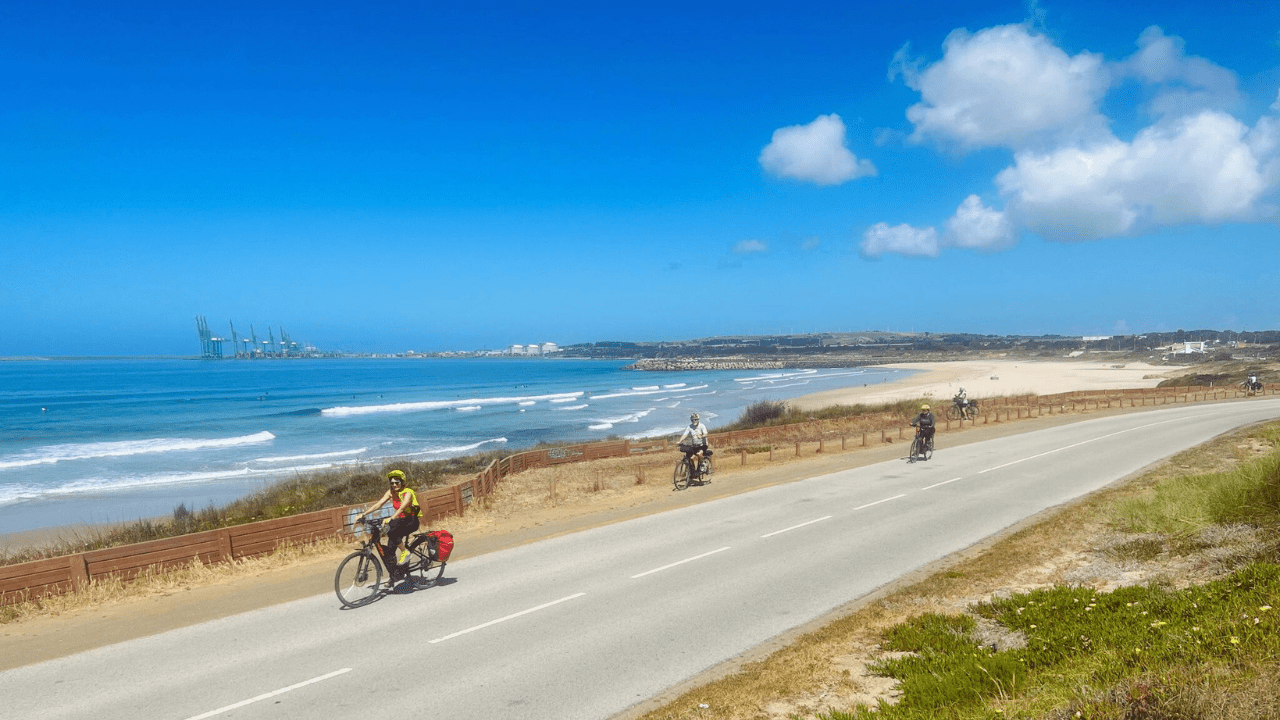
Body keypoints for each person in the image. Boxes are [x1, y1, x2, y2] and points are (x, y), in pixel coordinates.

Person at [356, 470, 422, 577]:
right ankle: (395, 575)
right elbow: (379, 504)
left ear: (402, 482)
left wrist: (391, 518)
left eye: (397, 483)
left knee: (390, 529)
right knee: (390, 550)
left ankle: (405, 552)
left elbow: (402, 508)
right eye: (392, 483)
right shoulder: (391, 492)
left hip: (411, 521)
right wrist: (363, 514)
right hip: (400, 522)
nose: (394, 485)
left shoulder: (408, 492)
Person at [675, 412, 711, 480]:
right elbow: (685, 434)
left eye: (696, 419)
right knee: (691, 458)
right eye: (692, 420)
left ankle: (703, 464)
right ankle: (693, 471)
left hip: (703, 445)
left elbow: (705, 433)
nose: (694, 421)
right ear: (691, 420)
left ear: (698, 419)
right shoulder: (690, 427)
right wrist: (680, 441)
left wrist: (701, 436)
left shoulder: (702, 426)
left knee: (699, 454)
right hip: (695, 445)